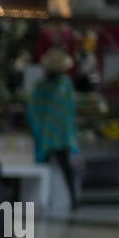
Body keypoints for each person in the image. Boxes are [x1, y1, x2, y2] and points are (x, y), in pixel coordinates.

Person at [27, 47, 81, 211]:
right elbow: (69, 110)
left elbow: (34, 110)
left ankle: (47, 200)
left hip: (50, 136)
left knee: (49, 168)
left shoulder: (60, 85)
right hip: (57, 135)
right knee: (56, 169)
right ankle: (44, 200)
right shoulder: (60, 86)